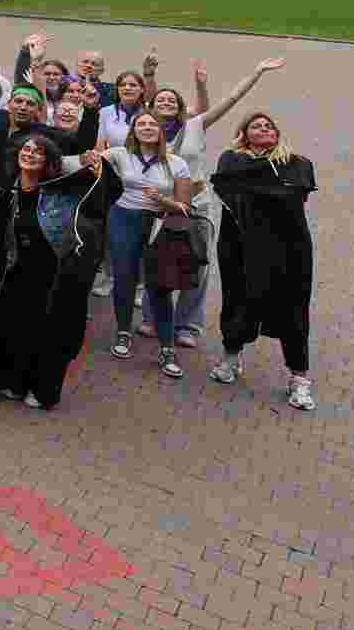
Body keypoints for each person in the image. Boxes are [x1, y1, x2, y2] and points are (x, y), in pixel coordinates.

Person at [155, 57, 285, 348]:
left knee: (197, 263)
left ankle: (187, 324)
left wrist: (257, 72)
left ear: (181, 108)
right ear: (150, 107)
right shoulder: (143, 130)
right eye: (159, 100)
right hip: (158, 207)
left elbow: (232, 99)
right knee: (154, 262)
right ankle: (154, 317)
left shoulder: (195, 126)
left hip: (197, 206)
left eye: (171, 100)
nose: (165, 103)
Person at [0, 135, 118, 409]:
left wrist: (100, 167)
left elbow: (104, 197)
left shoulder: (63, 192)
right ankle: (13, 381)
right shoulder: (11, 192)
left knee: (50, 334)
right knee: (10, 327)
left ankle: (42, 389)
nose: (30, 154)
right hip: (19, 272)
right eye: (26, 149)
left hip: (56, 275)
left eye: (38, 152)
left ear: (49, 161)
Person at [208, 113, 318, 410]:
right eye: (257, 125)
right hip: (240, 245)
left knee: (293, 308)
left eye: (269, 126)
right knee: (236, 300)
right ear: (244, 134)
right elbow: (226, 184)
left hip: (288, 249)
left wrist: (255, 187)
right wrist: (269, 186)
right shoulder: (231, 160)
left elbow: (292, 194)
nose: (264, 128)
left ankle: (299, 379)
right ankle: (231, 358)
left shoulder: (298, 162)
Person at [100, 108, 193, 377]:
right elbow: (90, 162)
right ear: (134, 130)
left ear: (161, 131)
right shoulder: (119, 154)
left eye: (152, 124)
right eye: (141, 124)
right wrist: (88, 156)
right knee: (124, 277)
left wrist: (162, 201)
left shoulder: (176, 163)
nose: (147, 127)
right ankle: (123, 332)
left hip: (157, 224)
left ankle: (167, 348)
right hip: (122, 219)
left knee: (159, 285)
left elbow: (185, 207)